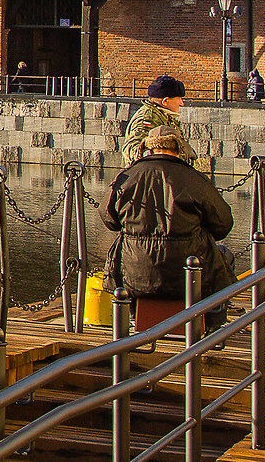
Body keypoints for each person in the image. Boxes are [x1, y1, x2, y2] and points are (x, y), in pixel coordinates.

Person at [102, 124, 239, 324]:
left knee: (122, 251)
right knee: (224, 255)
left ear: (149, 148)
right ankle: (211, 322)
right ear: (179, 148)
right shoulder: (194, 178)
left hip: (135, 274)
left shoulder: (127, 176)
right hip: (187, 276)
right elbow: (223, 225)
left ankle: (133, 316)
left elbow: (109, 220)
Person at [120, 74, 191, 165]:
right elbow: (131, 150)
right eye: (179, 99)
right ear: (165, 101)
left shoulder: (164, 116)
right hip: (152, 174)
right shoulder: (147, 118)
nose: (181, 103)